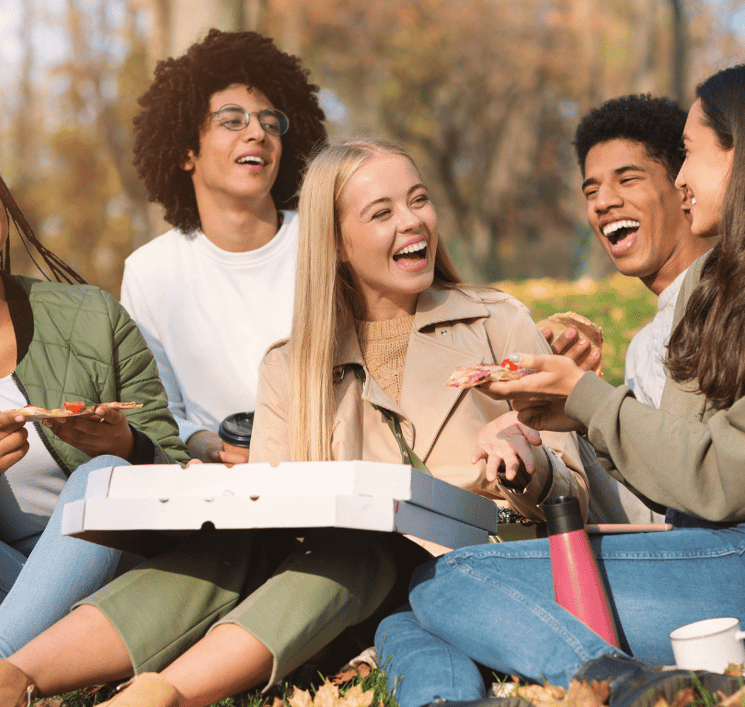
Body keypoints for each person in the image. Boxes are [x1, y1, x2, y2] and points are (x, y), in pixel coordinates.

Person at [0, 138, 587, 707]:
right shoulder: (289, 365)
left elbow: (577, 494)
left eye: (418, 200)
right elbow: (270, 519)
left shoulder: (497, 323)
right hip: (335, 602)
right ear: (332, 243)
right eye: (381, 212)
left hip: (476, 573)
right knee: (233, 553)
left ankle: (162, 695)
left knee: (366, 549)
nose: (412, 222)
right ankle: (16, 674)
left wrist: (527, 463)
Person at [375, 63, 745, 707]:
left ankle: (617, 684)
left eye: (690, 156)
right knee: (408, 607)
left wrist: (586, 400)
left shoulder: (728, 289)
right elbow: (688, 477)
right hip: (719, 552)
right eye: (592, 188)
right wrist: (570, 417)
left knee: (448, 581)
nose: (686, 176)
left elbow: (727, 478)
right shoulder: (727, 290)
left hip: (744, 567)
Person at [0, 174, 188, 658]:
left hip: (110, 576)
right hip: (11, 581)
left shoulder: (92, 318)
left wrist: (127, 448)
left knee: (104, 478)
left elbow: (181, 474)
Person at [120, 28, 327, 464]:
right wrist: (210, 447)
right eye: (232, 120)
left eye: (271, 122)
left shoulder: (326, 241)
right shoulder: (151, 272)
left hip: (325, 464)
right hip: (217, 492)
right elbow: (157, 412)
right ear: (185, 151)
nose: (257, 133)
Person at [567, 94, 717, 524]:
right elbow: (655, 513)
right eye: (591, 190)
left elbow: (712, 477)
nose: (602, 202)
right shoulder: (644, 346)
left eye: (627, 180)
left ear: (684, 187)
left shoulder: (738, 303)